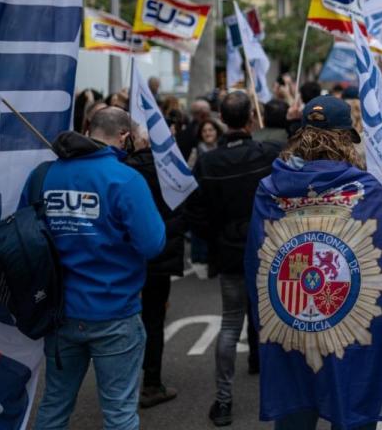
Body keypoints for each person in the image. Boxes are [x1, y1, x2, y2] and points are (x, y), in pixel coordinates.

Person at [246, 95, 382, 429]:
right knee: (353, 406)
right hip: (353, 319)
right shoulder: (364, 189)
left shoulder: (270, 190)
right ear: (343, 140)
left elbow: (257, 260)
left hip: (289, 320)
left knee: (296, 404)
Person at [31, 107, 165, 430]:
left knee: (54, 406)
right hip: (115, 312)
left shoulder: (46, 174)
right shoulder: (126, 179)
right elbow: (153, 244)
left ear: (88, 128)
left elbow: (30, 235)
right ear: (124, 137)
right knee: (119, 413)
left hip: (61, 312)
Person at [185, 91, 281, 426]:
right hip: (269, 251)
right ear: (251, 120)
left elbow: (194, 210)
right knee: (273, 323)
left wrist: (215, 237)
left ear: (222, 120)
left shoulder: (209, 162)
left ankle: (224, 401)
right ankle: (283, 395)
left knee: (230, 323)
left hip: (230, 252)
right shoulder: (268, 154)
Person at [124, 128, 188, 408]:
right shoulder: (171, 168)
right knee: (153, 320)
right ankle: (152, 383)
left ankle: (123, 383)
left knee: (123, 320)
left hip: (127, 258)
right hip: (161, 255)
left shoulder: (122, 169)